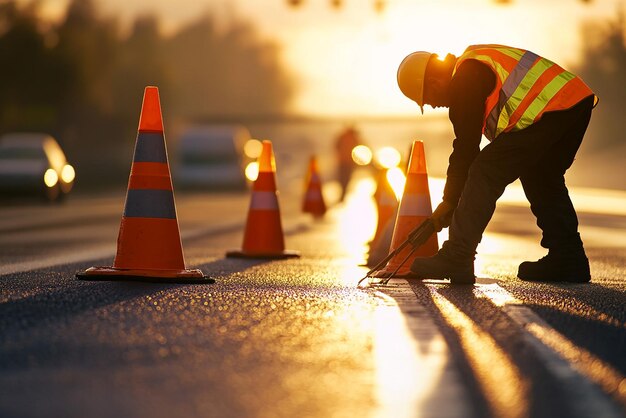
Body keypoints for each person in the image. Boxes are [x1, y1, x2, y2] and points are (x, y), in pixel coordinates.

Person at [396, 44, 597, 284]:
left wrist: (449, 201)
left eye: (427, 99)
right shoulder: (473, 65)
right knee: (542, 177)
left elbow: (466, 150)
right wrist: (450, 203)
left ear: (433, 82)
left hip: (554, 108)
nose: (433, 106)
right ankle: (568, 258)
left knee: (485, 171)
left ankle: (458, 254)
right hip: (574, 105)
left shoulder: (464, 78)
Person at [335, 125, 361, 201]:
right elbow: (360, 146)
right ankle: (343, 194)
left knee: (343, 178)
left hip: (343, 161)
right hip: (347, 162)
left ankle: (342, 194)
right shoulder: (352, 137)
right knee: (345, 178)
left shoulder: (343, 136)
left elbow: (336, 146)